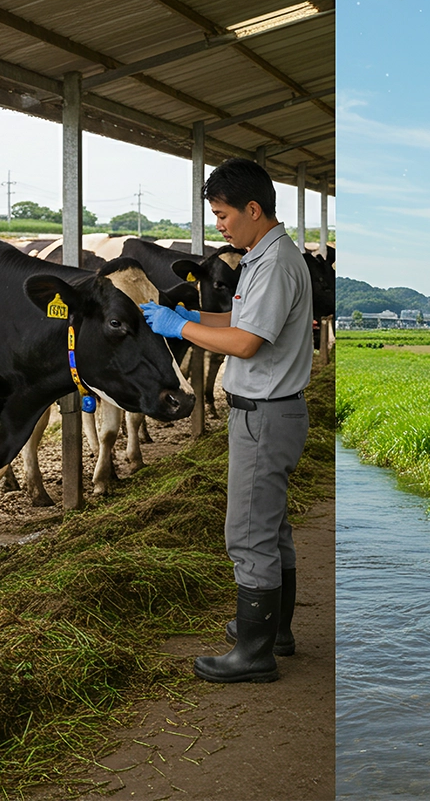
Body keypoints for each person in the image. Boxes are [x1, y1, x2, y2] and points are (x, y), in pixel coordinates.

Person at [140, 158, 313, 684]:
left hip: (263, 416)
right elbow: (240, 321)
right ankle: (273, 631)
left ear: (253, 210)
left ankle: (254, 654)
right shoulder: (266, 257)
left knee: (247, 534)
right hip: (273, 412)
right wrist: (194, 316)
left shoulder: (276, 263)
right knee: (271, 525)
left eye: (222, 214)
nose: (219, 224)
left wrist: (179, 328)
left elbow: (244, 343)